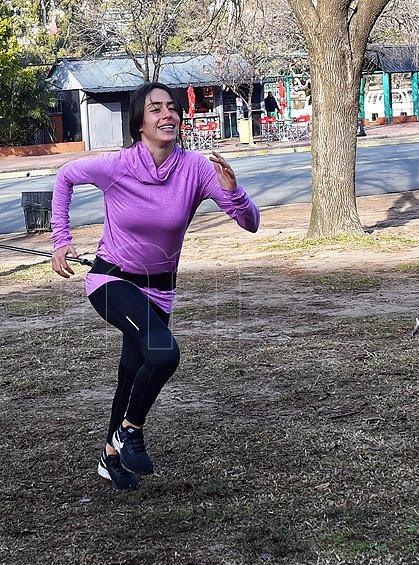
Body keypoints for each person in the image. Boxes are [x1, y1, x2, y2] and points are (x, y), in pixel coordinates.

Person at [50, 82, 260, 491]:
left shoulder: (196, 168)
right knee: (163, 353)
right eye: (155, 109)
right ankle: (130, 431)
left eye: (172, 107)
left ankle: (111, 459)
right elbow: (65, 177)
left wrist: (234, 192)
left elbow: (250, 222)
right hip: (111, 280)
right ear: (139, 123)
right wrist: (61, 239)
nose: (168, 115)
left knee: (131, 376)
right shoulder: (118, 166)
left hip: (160, 289)